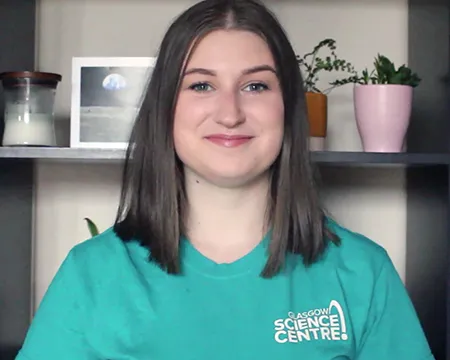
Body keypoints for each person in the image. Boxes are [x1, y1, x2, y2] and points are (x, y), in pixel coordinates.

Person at [16, 0, 434, 359]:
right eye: (201, 85)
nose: (230, 113)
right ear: (164, 109)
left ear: (288, 109)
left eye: (255, 85)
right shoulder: (92, 275)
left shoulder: (363, 272)